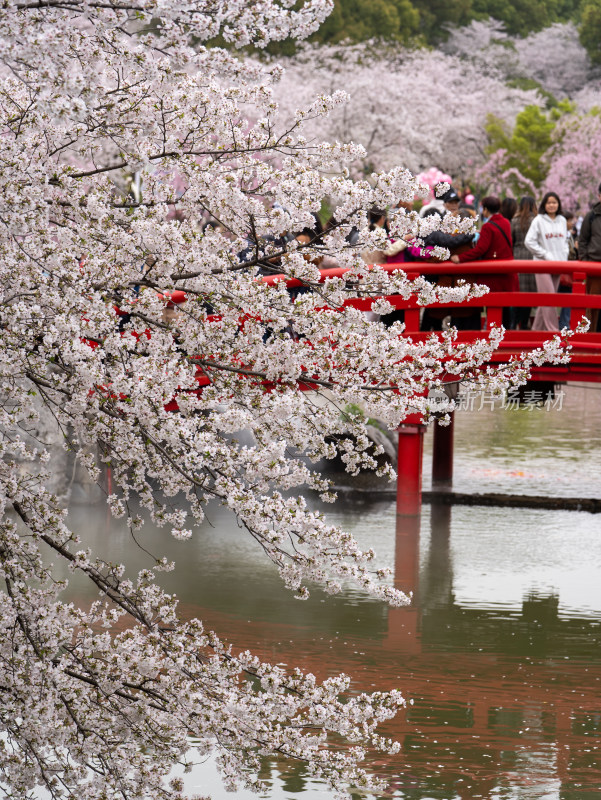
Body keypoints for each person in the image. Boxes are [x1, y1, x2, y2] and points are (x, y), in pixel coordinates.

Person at [450, 196, 517, 329]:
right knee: (504, 308)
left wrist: (460, 258)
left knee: (493, 306)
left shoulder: (488, 226)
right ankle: (507, 334)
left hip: (493, 273)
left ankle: (494, 336)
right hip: (506, 270)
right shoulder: (506, 222)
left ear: (485, 209)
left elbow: (480, 249)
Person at [524, 191, 569, 331]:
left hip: (559, 264)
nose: (551, 205)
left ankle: (536, 331)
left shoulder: (562, 220)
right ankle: (553, 332)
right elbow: (529, 242)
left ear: (558, 204)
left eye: (554, 202)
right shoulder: (538, 220)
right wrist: (545, 255)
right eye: (549, 202)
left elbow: (565, 241)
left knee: (547, 299)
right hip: (542, 264)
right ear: (544, 204)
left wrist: (564, 255)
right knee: (549, 298)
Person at [510, 196, 537, 329]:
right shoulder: (537, 220)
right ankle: (525, 323)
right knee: (529, 293)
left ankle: (514, 323)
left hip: (517, 256)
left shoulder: (514, 220)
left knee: (518, 291)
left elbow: (511, 239)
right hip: (533, 257)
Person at [578, 181, 601, 332]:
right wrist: (586, 262)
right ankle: (591, 336)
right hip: (595, 264)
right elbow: (582, 241)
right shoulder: (591, 216)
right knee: (593, 305)